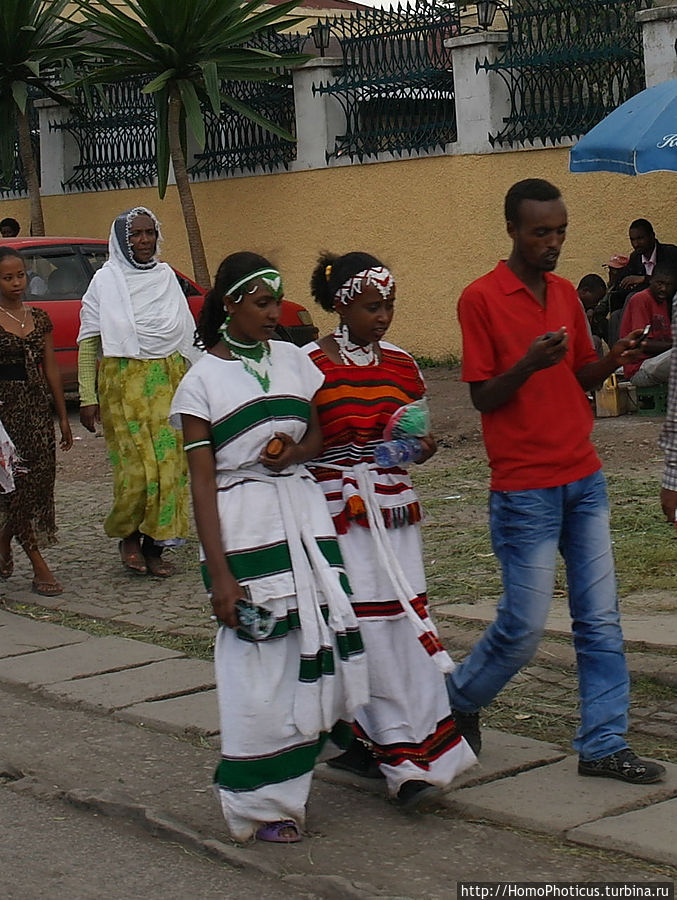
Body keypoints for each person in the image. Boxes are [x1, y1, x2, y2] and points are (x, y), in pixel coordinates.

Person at [447, 178, 665, 784]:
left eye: (561, 231)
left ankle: (603, 743)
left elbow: (578, 379)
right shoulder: (481, 298)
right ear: (514, 230)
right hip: (524, 490)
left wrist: (613, 356)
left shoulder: (567, 293)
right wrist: (527, 364)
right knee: (522, 627)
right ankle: (455, 701)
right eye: (541, 232)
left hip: (584, 477)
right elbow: (484, 397)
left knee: (600, 621)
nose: (553, 242)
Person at [169, 252, 368, 843]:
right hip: (243, 524)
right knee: (257, 657)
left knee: (316, 640)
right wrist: (221, 575)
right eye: (260, 303)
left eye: (276, 302)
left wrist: (293, 451)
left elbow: (317, 436)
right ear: (229, 304)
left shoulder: (293, 363)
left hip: (302, 521)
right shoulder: (200, 381)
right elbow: (202, 482)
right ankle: (258, 804)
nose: (273, 314)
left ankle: (301, 772)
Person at [304, 251, 477, 812]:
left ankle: (417, 746)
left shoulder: (403, 365)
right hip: (339, 518)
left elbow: (416, 444)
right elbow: (305, 446)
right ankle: (398, 757)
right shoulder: (307, 365)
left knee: (405, 626)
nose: (384, 317)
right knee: (363, 631)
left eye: (390, 306)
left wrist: (412, 446)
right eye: (373, 306)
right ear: (342, 305)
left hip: (395, 515)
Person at [77, 207, 199, 577]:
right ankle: (127, 535)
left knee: (168, 468)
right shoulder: (105, 281)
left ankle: (154, 545)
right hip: (123, 383)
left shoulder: (166, 278)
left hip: (168, 381)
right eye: (136, 235)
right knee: (134, 472)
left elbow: (187, 338)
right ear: (122, 240)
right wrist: (87, 396)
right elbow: (88, 342)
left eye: (149, 233)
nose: (144, 241)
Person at [0, 247, 72, 594]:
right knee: (13, 485)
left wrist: (62, 417)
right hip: (5, 415)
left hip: (37, 412)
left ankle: (3, 541)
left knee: (39, 484)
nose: (16, 283)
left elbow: (52, 369)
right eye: (7, 277)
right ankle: (36, 560)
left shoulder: (39, 317)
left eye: (20, 275)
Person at [619, 266, 676, 386]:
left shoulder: (663, 302)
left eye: (669, 285)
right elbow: (642, 344)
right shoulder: (641, 299)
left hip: (655, 362)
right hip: (640, 369)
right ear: (651, 280)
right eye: (660, 283)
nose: (663, 289)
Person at [617, 219, 677, 296]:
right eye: (632, 239)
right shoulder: (635, 257)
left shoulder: (670, 253)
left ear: (652, 236)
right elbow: (624, 281)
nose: (635, 244)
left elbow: (671, 281)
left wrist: (644, 279)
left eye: (640, 238)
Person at [576, 273, 608, 354]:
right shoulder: (573, 305)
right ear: (584, 291)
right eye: (596, 300)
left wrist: (590, 309)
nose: (596, 303)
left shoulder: (584, 305)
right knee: (595, 341)